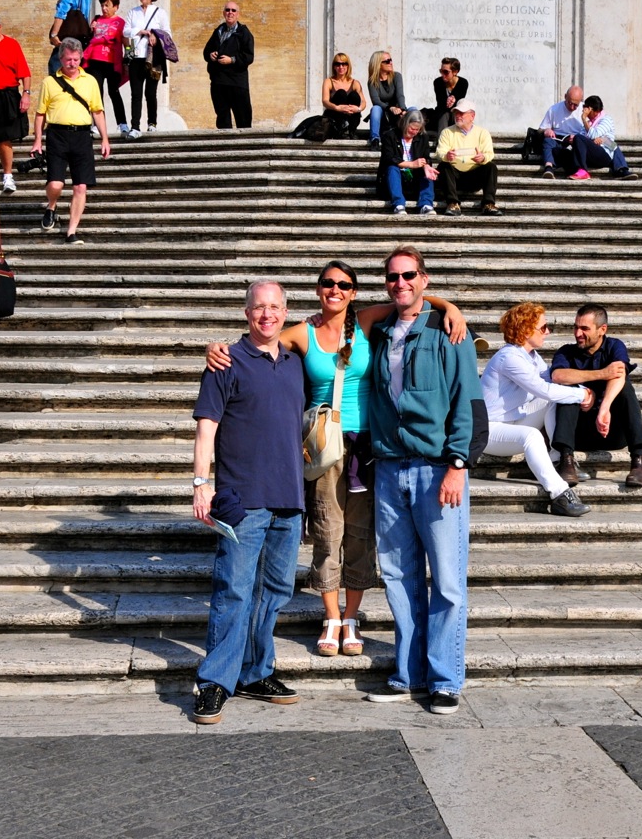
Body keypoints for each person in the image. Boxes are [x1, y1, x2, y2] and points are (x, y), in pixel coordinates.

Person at [204, 266, 467, 662]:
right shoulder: (301, 333)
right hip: (323, 446)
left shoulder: (365, 321)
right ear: (317, 289)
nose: (336, 289)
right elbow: (259, 339)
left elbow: (411, 301)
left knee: (360, 534)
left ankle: (351, 616)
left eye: (344, 284)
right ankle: (330, 616)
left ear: (354, 291)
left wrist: (451, 307)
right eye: (328, 283)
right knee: (328, 530)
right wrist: (216, 348)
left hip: (368, 445)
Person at [366, 245, 487, 715]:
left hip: (438, 469)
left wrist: (459, 464)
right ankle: (407, 674)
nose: (401, 283)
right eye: (393, 277)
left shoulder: (448, 332)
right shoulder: (377, 333)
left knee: (448, 582)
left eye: (409, 275)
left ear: (425, 278)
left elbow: (469, 404)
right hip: (390, 468)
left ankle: (445, 680)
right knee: (399, 577)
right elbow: (342, 314)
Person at [191, 280, 305, 725]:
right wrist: (202, 484)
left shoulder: (295, 363)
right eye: (259, 307)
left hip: (288, 498)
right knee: (234, 591)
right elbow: (206, 428)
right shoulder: (225, 362)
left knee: (274, 592)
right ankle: (215, 682)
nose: (267, 315)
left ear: (285, 311)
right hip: (242, 499)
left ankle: (256, 673)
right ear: (246, 312)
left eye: (275, 307)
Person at [480, 302, 593, 517]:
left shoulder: (531, 356)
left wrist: (582, 389)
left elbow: (552, 384)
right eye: (543, 327)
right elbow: (544, 389)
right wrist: (582, 395)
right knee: (532, 435)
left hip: (514, 420)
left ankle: (559, 458)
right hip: (489, 430)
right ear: (526, 329)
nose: (548, 332)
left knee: (554, 399)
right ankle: (559, 495)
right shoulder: (509, 358)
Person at [550, 303, 642, 489]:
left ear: (602, 329)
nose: (578, 333)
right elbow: (557, 376)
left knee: (626, 387)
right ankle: (566, 460)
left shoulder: (614, 346)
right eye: (576, 327)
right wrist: (601, 376)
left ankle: (638, 460)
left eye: (585, 328)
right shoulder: (566, 352)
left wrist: (604, 408)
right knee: (569, 393)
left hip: (610, 431)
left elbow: (619, 374)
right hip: (575, 434)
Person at [31, 38, 110, 245]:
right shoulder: (49, 82)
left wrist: (105, 138)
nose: (72, 63)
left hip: (82, 136)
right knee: (55, 184)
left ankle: (71, 232)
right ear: (61, 59)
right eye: (68, 59)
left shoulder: (90, 81)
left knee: (80, 187)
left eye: (76, 59)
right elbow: (40, 114)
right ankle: (52, 205)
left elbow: (98, 111)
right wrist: (38, 140)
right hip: (57, 135)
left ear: (81, 58)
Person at [0, 13, 31, 196]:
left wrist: (26, 94)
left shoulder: (12, 45)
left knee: (4, 138)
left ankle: (7, 176)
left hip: (6, 96)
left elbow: (25, 73)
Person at [435, 99, 503, 216]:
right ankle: (453, 203)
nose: (458, 116)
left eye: (461, 113)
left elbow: (489, 153)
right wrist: (447, 156)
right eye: (456, 113)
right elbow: (440, 152)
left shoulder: (482, 133)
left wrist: (482, 158)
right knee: (443, 166)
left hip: (474, 175)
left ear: (472, 116)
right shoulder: (447, 132)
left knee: (491, 167)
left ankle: (488, 204)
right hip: (454, 176)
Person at [123, 0, 170, 139]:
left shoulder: (160, 12)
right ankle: (135, 126)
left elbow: (167, 33)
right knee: (135, 93)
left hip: (154, 57)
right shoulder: (132, 12)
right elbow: (126, 31)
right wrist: (141, 31)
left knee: (151, 92)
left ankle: (152, 123)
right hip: (136, 57)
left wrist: (155, 36)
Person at [83, 0, 128, 138]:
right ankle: (97, 124)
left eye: (107, 5)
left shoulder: (120, 22)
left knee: (114, 92)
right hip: (95, 61)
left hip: (112, 61)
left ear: (115, 7)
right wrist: (91, 30)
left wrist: (128, 56)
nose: (104, 8)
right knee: (97, 93)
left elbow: (127, 43)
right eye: (102, 5)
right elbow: (89, 39)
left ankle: (122, 124)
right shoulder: (97, 20)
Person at [203, 1, 255, 129]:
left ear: (238, 14)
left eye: (233, 10)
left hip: (237, 82)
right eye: (227, 10)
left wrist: (231, 60)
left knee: (243, 118)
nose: (230, 13)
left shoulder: (244, 33)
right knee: (222, 119)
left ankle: (245, 147)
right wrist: (211, 55)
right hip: (219, 82)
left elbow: (249, 56)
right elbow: (206, 52)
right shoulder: (218, 31)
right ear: (223, 13)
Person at [377, 109, 438, 216]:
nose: (414, 132)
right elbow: (389, 158)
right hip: (394, 179)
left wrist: (426, 165)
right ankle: (398, 204)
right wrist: (412, 164)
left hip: (414, 179)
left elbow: (426, 157)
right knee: (392, 168)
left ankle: (426, 204)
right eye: (411, 128)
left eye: (417, 130)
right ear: (405, 123)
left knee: (427, 171)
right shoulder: (390, 136)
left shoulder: (422, 137)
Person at [567, 95, 638, 180]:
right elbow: (583, 139)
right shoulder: (588, 123)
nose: (583, 110)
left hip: (604, 154)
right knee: (568, 146)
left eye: (585, 107)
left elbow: (596, 136)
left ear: (592, 110)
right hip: (592, 154)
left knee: (580, 138)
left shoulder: (606, 120)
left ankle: (583, 171)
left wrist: (584, 119)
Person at [533, 85, 585, 174]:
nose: (572, 107)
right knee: (548, 141)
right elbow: (541, 129)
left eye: (576, 105)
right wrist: (547, 131)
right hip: (557, 139)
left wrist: (577, 138)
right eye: (570, 103)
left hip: (576, 140)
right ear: (565, 97)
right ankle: (549, 166)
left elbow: (591, 130)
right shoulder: (554, 109)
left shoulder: (584, 110)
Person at [48, 0, 91, 75]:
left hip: (67, 37)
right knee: (75, 68)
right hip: (82, 38)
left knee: (56, 65)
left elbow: (61, 14)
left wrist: (54, 34)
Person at [367, 50, 406, 150]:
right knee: (375, 108)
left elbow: (400, 95)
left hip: (397, 113)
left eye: (391, 60)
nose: (391, 63)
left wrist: (402, 109)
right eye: (387, 61)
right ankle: (375, 139)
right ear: (378, 64)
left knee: (413, 109)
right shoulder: (372, 81)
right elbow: (376, 101)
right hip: (383, 114)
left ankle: (413, 138)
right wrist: (390, 108)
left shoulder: (397, 76)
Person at [321, 52, 366, 139]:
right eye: (338, 64)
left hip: (352, 117)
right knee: (341, 93)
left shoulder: (355, 83)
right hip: (335, 116)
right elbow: (325, 101)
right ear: (334, 66)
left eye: (344, 64)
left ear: (348, 66)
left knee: (354, 95)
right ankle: (341, 128)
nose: (341, 67)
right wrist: (337, 108)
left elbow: (363, 101)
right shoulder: (329, 81)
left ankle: (351, 130)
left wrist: (358, 109)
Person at [432, 57, 468, 133]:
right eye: (441, 71)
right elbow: (441, 103)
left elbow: (459, 102)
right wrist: (449, 101)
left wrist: (453, 99)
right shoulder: (438, 82)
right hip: (442, 113)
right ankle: (442, 142)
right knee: (444, 114)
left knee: (458, 113)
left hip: (455, 113)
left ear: (455, 72)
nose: (442, 74)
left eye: (446, 72)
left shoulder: (463, 83)